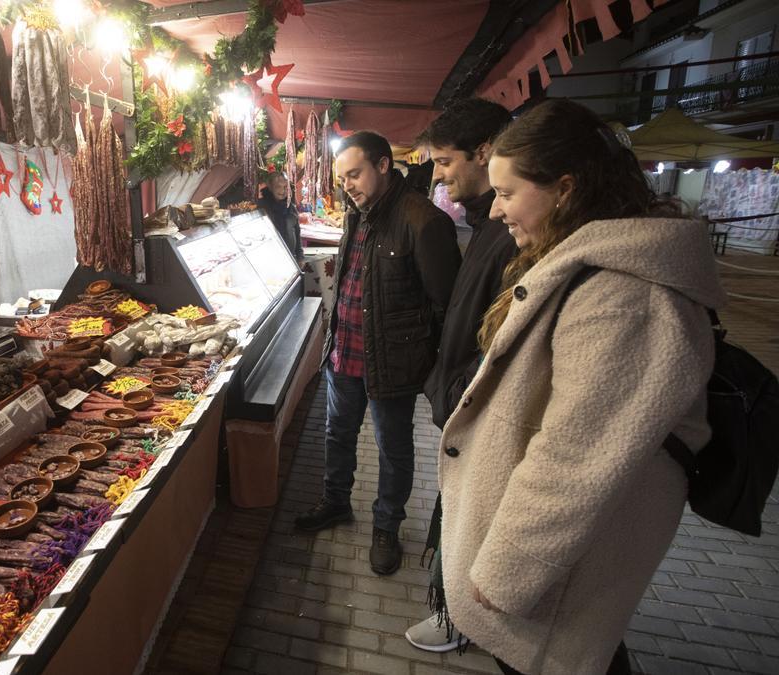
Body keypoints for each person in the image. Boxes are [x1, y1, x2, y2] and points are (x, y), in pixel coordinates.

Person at [438, 99, 725, 675]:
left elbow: (578, 455)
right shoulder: (584, 262)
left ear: (565, 188)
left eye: (508, 193)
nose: (495, 212)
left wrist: (510, 567)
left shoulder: (626, 294)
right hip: (555, 563)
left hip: (555, 567)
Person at [295, 131, 460, 577]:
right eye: (342, 177)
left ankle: (386, 526)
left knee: (393, 448)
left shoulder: (423, 221)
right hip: (344, 353)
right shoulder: (356, 214)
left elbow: (446, 303)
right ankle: (335, 503)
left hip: (391, 361)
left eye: (355, 173)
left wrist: (433, 366)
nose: (347, 184)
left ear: (384, 165)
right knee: (337, 434)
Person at [408, 98, 517, 652]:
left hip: (480, 413)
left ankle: (463, 620)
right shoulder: (488, 225)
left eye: (445, 161)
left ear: (485, 152)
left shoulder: (511, 235)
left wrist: (453, 387)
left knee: (470, 520)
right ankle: (456, 612)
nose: (440, 175)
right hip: (462, 404)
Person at [256, 172, 302, 258]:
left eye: (285, 187)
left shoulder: (291, 207)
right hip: (270, 258)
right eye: (278, 187)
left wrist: (300, 256)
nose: (282, 191)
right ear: (271, 188)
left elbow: (297, 233)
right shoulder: (262, 207)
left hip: (290, 258)